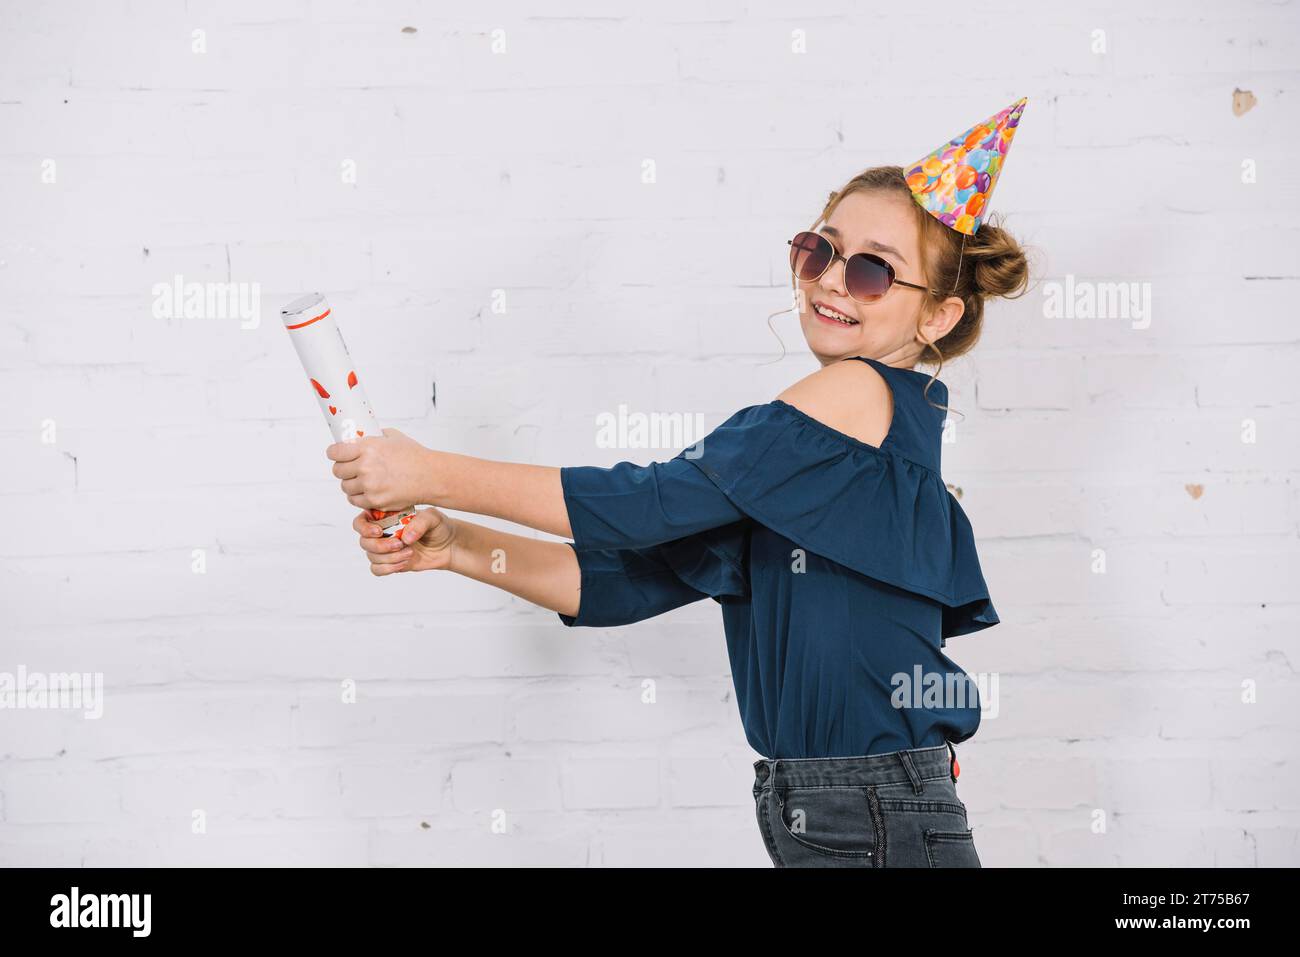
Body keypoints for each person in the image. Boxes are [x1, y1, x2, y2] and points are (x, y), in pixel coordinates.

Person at [326, 99, 1032, 867]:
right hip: (843, 804)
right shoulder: (838, 453)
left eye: (871, 271)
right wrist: (458, 543)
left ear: (938, 315)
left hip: (866, 808)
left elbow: (644, 503)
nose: (831, 280)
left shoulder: (857, 393)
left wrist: (430, 470)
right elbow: (632, 581)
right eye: (817, 250)